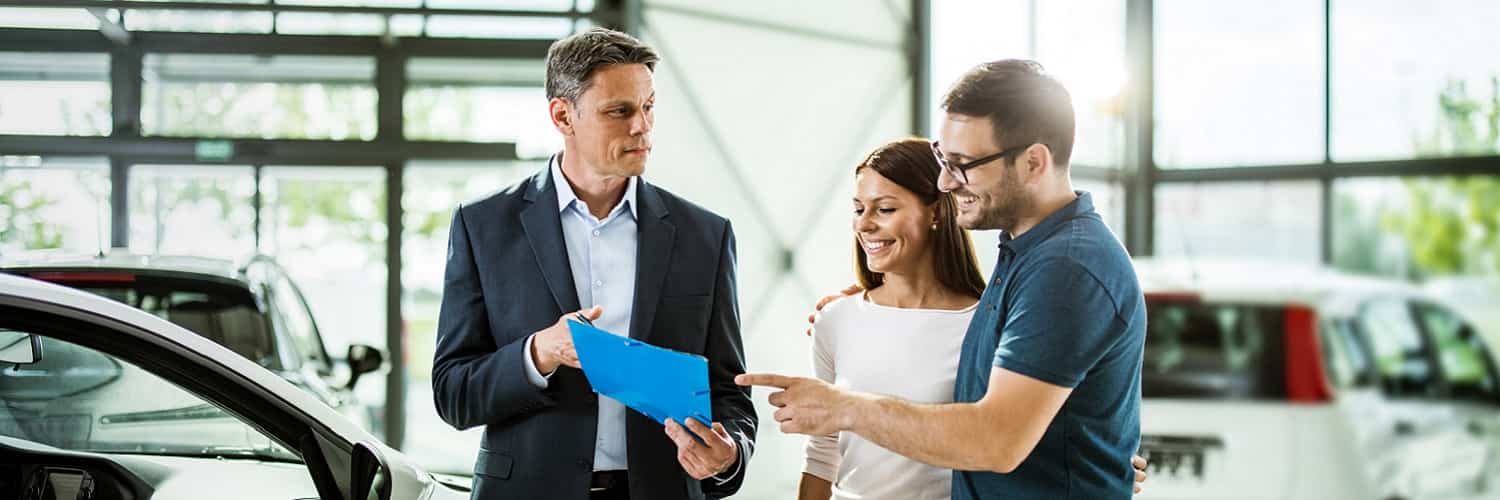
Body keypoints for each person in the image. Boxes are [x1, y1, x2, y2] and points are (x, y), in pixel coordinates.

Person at [741, 59, 1147, 500]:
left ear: (1033, 162)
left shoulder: (1066, 269)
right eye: (942, 158)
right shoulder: (1024, 255)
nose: (945, 181)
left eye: (962, 164)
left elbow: (995, 440)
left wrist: (844, 407)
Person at [432, 28, 757, 500]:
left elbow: (730, 393)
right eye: (619, 111)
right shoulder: (483, 227)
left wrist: (729, 456)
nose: (641, 127)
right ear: (563, 115)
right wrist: (540, 352)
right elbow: (452, 393)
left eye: (648, 107)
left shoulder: (704, 235)